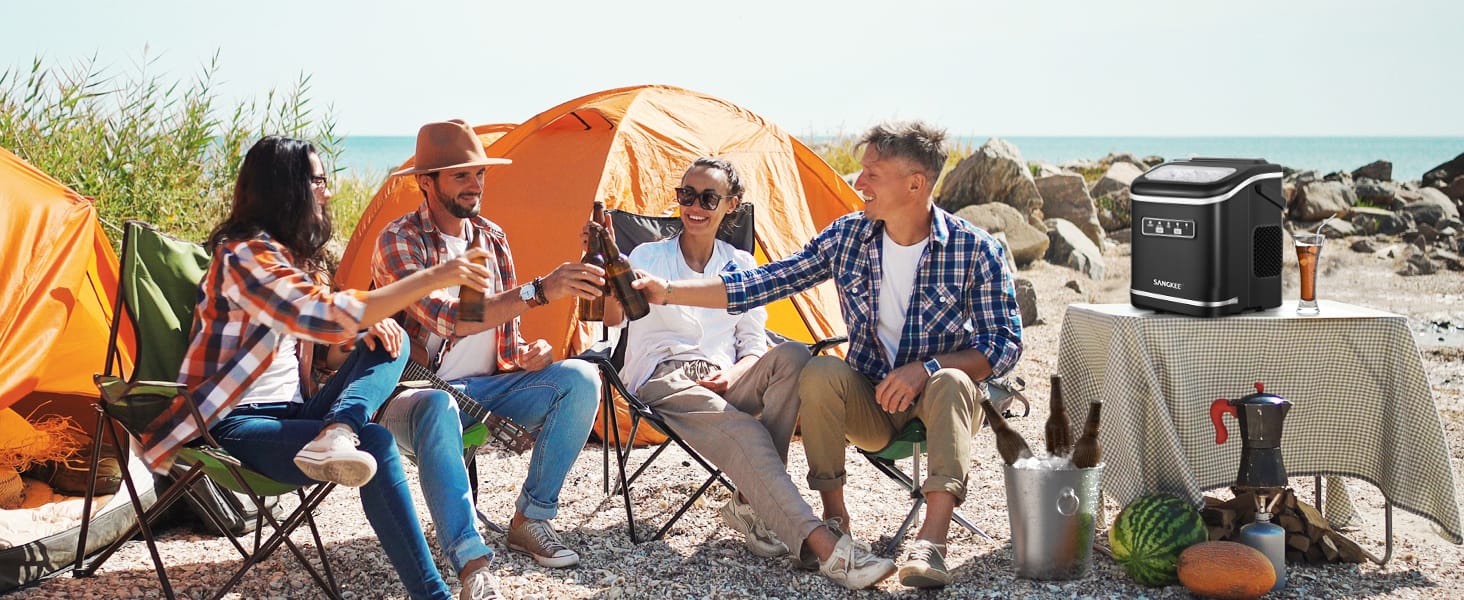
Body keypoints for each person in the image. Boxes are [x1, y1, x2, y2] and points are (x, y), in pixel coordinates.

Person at [633, 121, 1024, 589]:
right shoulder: (849, 238)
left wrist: (927, 369)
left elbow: (1004, 342)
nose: (858, 184)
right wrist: (670, 291)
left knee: (954, 380)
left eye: (872, 175)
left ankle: (932, 542)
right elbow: (765, 282)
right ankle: (835, 517)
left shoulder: (975, 249)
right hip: (870, 400)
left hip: (940, 404)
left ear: (915, 184)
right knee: (818, 369)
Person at [146, 136, 499, 599]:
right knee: (374, 436)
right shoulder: (243, 256)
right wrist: (435, 277)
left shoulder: (286, 258)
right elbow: (325, 314)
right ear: (285, 187)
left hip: (298, 415)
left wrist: (365, 336)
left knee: (392, 341)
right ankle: (432, 594)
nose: (327, 192)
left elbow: (325, 335)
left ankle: (339, 431)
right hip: (235, 425)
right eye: (317, 181)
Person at [599, 157, 896, 590]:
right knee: (746, 432)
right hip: (667, 380)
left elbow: (755, 344)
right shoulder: (647, 256)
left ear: (730, 206)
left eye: (708, 198)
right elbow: (610, 320)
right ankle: (825, 547)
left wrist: (737, 372)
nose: (694, 206)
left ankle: (748, 502)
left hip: (727, 379)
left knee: (794, 355)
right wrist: (610, 270)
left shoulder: (741, 265)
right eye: (686, 195)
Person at [372, 119, 602, 569]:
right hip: (414, 394)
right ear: (426, 182)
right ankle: (468, 560)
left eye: (479, 173)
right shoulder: (399, 241)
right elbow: (446, 319)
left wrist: (529, 355)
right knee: (440, 406)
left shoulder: (491, 238)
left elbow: (503, 328)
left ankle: (530, 519)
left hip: (484, 389)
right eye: (461, 175)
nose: (475, 184)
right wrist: (539, 292)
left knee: (581, 377)